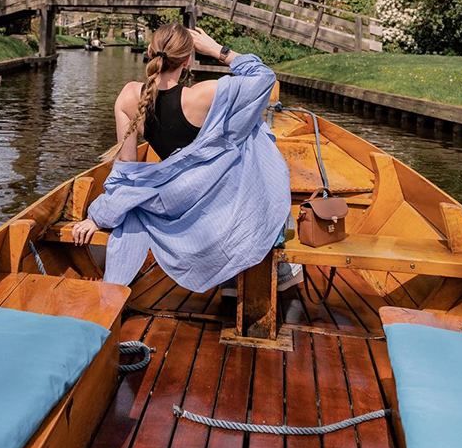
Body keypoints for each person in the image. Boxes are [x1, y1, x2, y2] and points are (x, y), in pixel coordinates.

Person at [72, 22, 300, 293]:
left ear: (149, 51)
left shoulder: (129, 97)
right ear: (188, 59)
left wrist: (100, 214)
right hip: (218, 206)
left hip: (176, 206)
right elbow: (263, 77)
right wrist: (219, 50)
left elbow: (125, 173)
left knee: (243, 135)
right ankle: (276, 268)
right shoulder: (204, 94)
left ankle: (229, 275)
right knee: (250, 137)